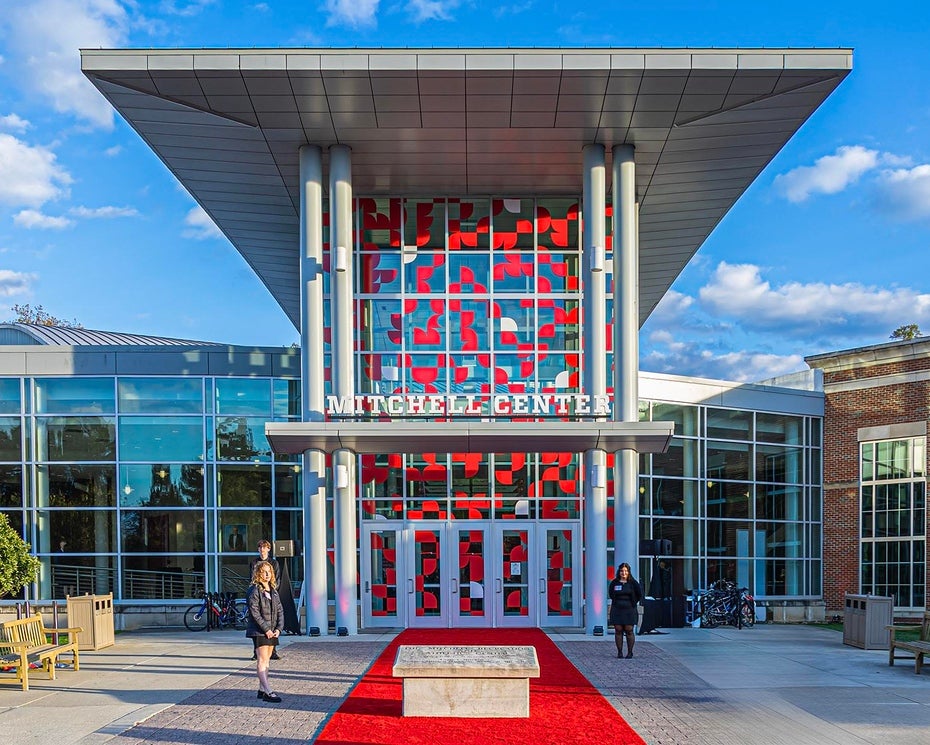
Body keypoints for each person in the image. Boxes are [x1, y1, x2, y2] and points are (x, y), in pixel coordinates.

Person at [246, 560, 285, 703]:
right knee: (262, 660)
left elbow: (280, 610)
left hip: (272, 630)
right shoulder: (255, 590)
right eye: (264, 572)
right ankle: (268, 691)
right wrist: (266, 629)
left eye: (269, 572)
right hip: (260, 631)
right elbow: (254, 612)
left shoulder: (273, 590)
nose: (267, 574)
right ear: (258, 573)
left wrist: (278, 629)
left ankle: (261, 690)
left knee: (267, 660)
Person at [250, 541, 282, 660]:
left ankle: (273, 650)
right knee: (260, 623)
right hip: (260, 593)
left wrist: (271, 591)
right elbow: (252, 578)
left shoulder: (274, 563)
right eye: (260, 548)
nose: (262, 550)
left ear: (268, 549)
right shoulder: (254, 563)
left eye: (264, 548)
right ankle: (256, 652)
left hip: (271, 593)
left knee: (272, 620)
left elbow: (276, 579)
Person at [608, 562, 643, 659]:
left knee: (629, 630)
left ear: (628, 572)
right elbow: (611, 593)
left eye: (625, 571)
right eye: (622, 571)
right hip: (617, 609)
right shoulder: (614, 583)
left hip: (629, 610)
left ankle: (630, 652)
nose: (623, 573)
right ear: (619, 572)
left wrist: (633, 603)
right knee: (618, 630)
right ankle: (619, 652)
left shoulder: (633, 583)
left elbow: (639, 594)